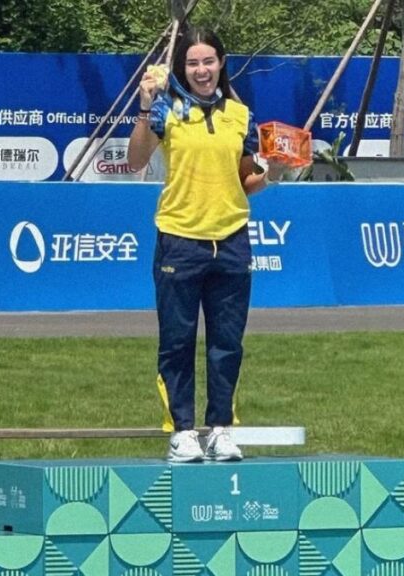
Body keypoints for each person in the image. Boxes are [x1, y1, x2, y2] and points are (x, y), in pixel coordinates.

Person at [127, 27, 286, 463]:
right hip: (180, 238)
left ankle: (219, 428)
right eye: (193, 63)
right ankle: (181, 431)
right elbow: (135, 160)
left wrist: (272, 171)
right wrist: (144, 107)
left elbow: (246, 182)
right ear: (182, 67)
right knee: (177, 341)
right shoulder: (165, 110)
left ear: (221, 63)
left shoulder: (240, 114)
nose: (201, 71)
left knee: (227, 344)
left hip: (231, 240)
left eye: (208, 61)